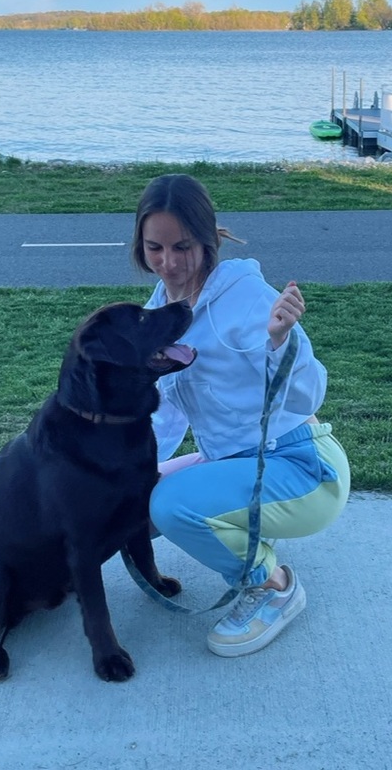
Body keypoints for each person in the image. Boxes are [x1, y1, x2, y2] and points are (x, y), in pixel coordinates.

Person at [131, 173, 350, 657]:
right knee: (131, 497)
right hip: (235, 460)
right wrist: (131, 467)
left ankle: (273, 586)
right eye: (155, 249)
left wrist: (280, 340)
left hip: (302, 467)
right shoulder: (165, 304)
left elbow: (306, 397)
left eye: (182, 247)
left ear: (208, 240)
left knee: (170, 507)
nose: (168, 264)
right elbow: (165, 412)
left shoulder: (248, 297)